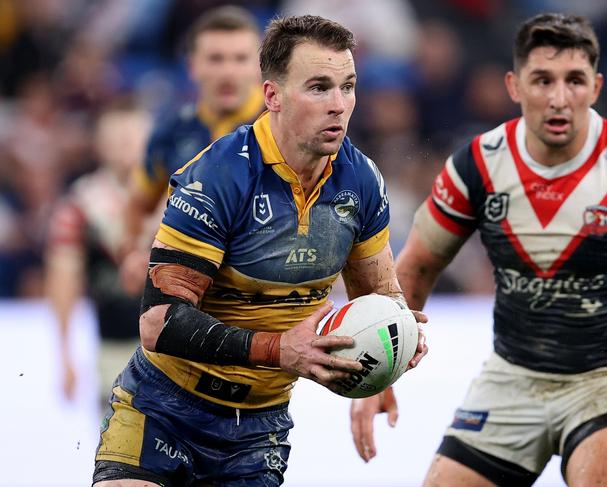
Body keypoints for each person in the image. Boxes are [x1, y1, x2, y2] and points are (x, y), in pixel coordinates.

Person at [93, 15, 427, 486]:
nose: (339, 105)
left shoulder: (362, 181)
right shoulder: (217, 175)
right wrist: (280, 349)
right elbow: (157, 320)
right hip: (163, 406)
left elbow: (379, 298)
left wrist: (394, 346)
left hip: (258, 428)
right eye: (318, 88)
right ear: (272, 96)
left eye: (347, 87)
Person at [351, 12, 607, 487]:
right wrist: (378, 372)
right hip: (512, 376)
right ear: (514, 85)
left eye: (574, 80)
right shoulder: (478, 164)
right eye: (542, 80)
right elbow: (416, 270)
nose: (558, 98)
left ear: (596, 87)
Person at [120, 5, 265, 295]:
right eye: (215, 59)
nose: (228, 72)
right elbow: (137, 204)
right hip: (190, 292)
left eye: (240, 59)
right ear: (192, 66)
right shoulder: (171, 131)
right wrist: (135, 255)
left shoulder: (282, 127)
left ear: (259, 66)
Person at [45, 101, 151, 403]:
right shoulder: (79, 205)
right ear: (99, 145)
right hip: (114, 347)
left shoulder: (179, 192)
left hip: (178, 348)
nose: (124, 145)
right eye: (116, 139)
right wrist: (64, 353)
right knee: (118, 441)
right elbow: (62, 278)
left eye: (131, 136)